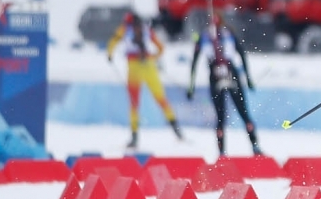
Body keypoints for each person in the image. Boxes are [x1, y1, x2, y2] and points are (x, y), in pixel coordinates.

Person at [187, 8, 262, 157]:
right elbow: (242, 54)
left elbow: (194, 62)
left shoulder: (209, 35)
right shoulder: (221, 34)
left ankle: (229, 151)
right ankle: (251, 148)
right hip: (229, 73)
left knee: (226, 116)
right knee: (239, 113)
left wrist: (192, 86)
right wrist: (247, 78)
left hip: (218, 74)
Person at [106, 11, 183, 149]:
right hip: (149, 66)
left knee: (134, 104)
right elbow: (160, 47)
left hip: (134, 67)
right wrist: (153, 57)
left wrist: (110, 55)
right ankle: (177, 131)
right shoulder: (146, 29)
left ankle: (134, 137)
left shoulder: (125, 29)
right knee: (161, 99)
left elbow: (113, 41)